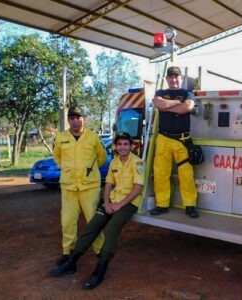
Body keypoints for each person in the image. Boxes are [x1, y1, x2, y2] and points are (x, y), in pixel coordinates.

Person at [50, 132, 144, 289]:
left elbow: (138, 188)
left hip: (128, 203)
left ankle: (99, 271)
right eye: (119, 144)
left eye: (125, 144)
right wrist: (106, 204)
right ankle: (71, 262)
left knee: (111, 231)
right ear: (115, 146)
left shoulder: (137, 163)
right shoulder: (114, 161)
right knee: (91, 228)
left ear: (132, 146)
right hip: (112, 201)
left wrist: (119, 205)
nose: (122, 147)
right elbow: (108, 184)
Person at [53, 106, 107, 266]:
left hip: (89, 186)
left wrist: (87, 172)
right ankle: (67, 252)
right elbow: (58, 157)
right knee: (67, 221)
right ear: (68, 120)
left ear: (85, 119)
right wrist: (71, 170)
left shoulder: (93, 138)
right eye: (72, 118)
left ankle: (100, 251)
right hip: (69, 186)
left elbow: (101, 158)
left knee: (94, 221)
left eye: (78, 118)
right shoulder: (60, 137)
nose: (75, 121)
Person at [150, 66, 199, 218]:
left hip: (182, 141)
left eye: (176, 76)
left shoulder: (187, 93)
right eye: (170, 77)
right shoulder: (160, 93)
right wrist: (177, 104)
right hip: (163, 139)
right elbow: (158, 103)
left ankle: (190, 205)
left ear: (181, 78)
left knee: (186, 175)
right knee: (160, 174)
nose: (173, 79)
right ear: (167, 79)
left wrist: (168, 105)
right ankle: (162, 205)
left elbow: (188, 107)